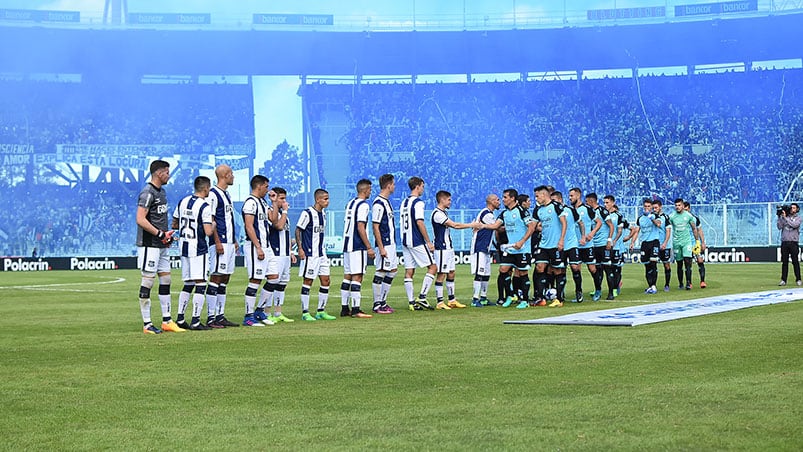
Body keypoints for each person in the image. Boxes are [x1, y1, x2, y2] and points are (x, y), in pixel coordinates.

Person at [135, 159, 184, 334]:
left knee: (166, 280)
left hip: (161, 244)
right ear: (158, 173)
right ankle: (147, 324)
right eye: (167, 172)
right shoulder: (147, 192)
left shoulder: (161, 192)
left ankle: (166, 320)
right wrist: (159, 234)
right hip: (150, 244)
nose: (169, 176)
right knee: (148, 281)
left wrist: (167, 234)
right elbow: (140, 219)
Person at [172, 176, 215, 331]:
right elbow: (209, 231)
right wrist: (214, 223)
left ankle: (180, 318)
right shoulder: (204, 206)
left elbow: (174, 223)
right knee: (201, 283)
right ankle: (196, 320)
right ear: (205, 189)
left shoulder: (182, 201)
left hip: (183, 247)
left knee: (188, 284)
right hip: (198, 248)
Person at [481, 188, 536, 308]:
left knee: (523, 273)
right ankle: (510, 295)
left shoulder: (522, 211)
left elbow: (532, 227)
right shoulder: (504, 213)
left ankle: (525, 301)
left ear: (512, 198)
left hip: (522, 248)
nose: (503, 200)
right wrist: (481, 225)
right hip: (510, 248)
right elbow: (495, 225)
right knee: (503, 269)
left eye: (505, 197)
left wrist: (522, 241)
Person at [206, 164, 240, 328]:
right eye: (231, 174)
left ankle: (220, 315)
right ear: (225, 175)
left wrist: (233, 240)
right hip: (219, 242)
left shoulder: (226, 194)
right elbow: (212, 220)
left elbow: (228, 219)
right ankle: (211, 317)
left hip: (229, 242)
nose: (233, 176)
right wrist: (217, 241)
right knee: (216, 276)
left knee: (225, 277)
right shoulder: (213, 195)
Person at [430, 190, 476, 310]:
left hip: (448, 248)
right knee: (442, 274)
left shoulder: (443, 213)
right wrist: (471, 225)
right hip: (441, 248)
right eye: (449, 199)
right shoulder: (437, 214)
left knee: (451, 272)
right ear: (442, 200)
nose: (450, 202)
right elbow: (455, 225)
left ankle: (452, 300)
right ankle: (440, 302)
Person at [296, 188, 335, 321]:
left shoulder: (323, 214)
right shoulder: (307, 213)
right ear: (317, 199)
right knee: (308, 281)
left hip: (321, 253)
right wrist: (300, 248)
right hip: (310, 253)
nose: (327, 201)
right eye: (325, 199)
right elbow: (298, 230)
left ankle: (321, 311)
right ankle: (305, 312)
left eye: (328, 198)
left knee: (326, 280)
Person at [258, 186, 295, 323]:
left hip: (285, 254)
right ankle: (266, 312)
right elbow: (278, 226)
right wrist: (284, 211)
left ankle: (278, 312)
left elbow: (285, 233)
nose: (284, 201)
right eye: (281, 198)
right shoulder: (272, 212)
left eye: (285, 198)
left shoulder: (284, 215)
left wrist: (290, 251)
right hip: (275, 253)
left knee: (282, 284)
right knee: (273, 282)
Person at [340, 179, 376, 318]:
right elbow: (361, 226)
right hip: (357, 244)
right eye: (370, 190)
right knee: (357, 276)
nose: (370, 192)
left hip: (347, 244)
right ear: (365, 190)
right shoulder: (364, 205)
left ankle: (344, 309)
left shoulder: (350, 203)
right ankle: (356, 310)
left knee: (347, 276)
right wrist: (368, 247)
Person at [400, 176, 437, 311]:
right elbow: (419, 222)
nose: (423, 189)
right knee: (433, 267)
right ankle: (422, 296)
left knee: (409, 271)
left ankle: (411, 302)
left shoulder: (404, 202)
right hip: (416, 240)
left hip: (405, 240)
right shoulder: (418, 203)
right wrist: (428, 242)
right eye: (422, 186)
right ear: (418, 186)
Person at [241, 175, 272, 327]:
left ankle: (259, 310)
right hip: (255, 246)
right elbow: (249, 226)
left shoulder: (263, 202)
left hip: (267, 246)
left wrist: (275, 202)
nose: (268, 190)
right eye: (266, 187)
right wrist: (258, 246)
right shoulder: (250, 203)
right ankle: (248, 316)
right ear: (259, 186)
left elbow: (272, 219)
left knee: (273, 278)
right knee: (255, 279)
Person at [533, 186, 568, 308]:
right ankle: (541, 298)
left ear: (544, 195)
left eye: (537, 196)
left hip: (555, 244)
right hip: (543, 244)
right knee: (540, 267)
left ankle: (559, 299)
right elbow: (533, 225)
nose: (536, 198)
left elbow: (564, 223)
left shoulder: (556, 206)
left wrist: (561, 240)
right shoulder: (538, 210)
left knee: (557, 270)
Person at [371, 174, 398, 314]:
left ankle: (383, 301)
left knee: (393, 271)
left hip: (391, 243)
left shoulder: (386, 202)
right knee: (381, 272)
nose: (394, 186)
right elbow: (375, 226)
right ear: (388, 185)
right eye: (393, 184)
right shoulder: (378, 203)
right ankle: (377, 304)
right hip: (385, 244)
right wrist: (381, 247)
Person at [551, 190, 585, 304]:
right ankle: (560, 294)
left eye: (555, 200)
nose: (553, 203)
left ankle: (578, 290)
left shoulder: (570, 210)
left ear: (560, 200)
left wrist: (583, 236)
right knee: (560, 269)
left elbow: (580, 223)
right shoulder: (551, 211)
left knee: (575, 267)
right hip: (559, 244)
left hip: (571, 243)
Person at [469, 193, 501, 307]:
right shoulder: (486, 213)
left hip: (486, 248)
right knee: (479, 273)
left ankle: (483, 297)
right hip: (479, 247)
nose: (499, 201)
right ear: (491, 201)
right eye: (497, 200)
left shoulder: (490, 213)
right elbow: (496, 226)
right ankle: (475, 299)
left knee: (486, 273)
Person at [569, 187, 596, 303]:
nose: (570, 198)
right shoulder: (569, 210)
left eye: (572, 196)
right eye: (569, 196)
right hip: (575, 245)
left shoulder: (587, 209)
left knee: (592, 268)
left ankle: (598, 290)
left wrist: (590, 234)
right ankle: (578, 293)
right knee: (575, 268)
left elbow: (599, 222)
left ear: (578, 196)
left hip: (587, 244)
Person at [631, 198, 662, 294]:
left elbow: (658, 224)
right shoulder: (640, 219)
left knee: (653, 263)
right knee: (647, 265)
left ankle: (653, 286)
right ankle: (650, 286)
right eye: (645, 206)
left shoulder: (656, 215)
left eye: (649, 206)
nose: (647, 208)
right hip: (644, 243)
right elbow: (637, 231)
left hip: (654, 242)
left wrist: (651, 217)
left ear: (651, 207)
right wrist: (632, 242)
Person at [668, 198, 699, 291]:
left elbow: (694, 228)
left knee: (688, 262)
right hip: (677, 242)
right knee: (679, 264)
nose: (677, 207)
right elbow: (668, 228)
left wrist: (697, 241)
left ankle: (688, 283)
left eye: (679, 205)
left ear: (682, 206)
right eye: (676, 205)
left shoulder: (688, 216)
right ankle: (681, 283)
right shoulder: (672, 217)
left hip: (687, 242)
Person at [776, 203, 801, 286]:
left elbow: (794, 225)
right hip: (785, 242)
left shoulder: (798, 218)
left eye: (794, 208)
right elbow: (779, 227)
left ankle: (798, 279)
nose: (792, 209)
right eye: (791, 208)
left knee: (795, 262)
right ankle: (783, 280)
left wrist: (785, 218)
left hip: (793, 242)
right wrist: (780, 217)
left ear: (797, 209)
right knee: (785, 262)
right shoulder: (785, 217)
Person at [684, 201, 708, 288]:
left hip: (695, 243)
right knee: (688, 263)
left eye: (686, 209)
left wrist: (703, 242)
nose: (685, 211)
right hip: (686, 244)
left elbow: (700, 231)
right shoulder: (681, 219)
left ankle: (702, 281)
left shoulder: (695, 218)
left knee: (700, 261)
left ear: (689, 209)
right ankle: (689, 283)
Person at [652, 199, 673, 292]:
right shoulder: (652, 217)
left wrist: (665, 243)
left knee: (666, 265)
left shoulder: (665, 217)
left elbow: (668, 231)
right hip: (655, 245)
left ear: (660, 207)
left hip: (665, 245)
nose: (654, 209)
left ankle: (667, 284)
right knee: (653, 265)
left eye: (656, 207)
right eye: (653, 208)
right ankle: (653, 285)